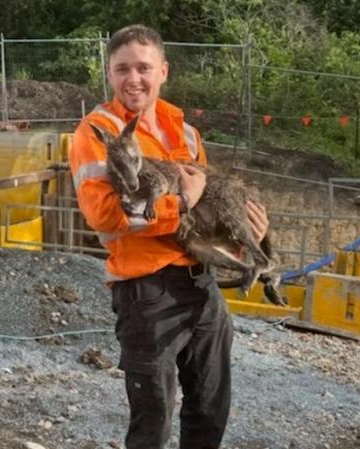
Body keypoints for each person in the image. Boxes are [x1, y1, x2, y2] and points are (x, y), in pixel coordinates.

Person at [70, 25, 269, 449]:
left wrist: (247, 234)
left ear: (163, 70)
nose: (133, 78)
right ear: (110, 73)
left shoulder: (186, 132)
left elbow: (206, 212)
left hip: (201, 282)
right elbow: (104, 217)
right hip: (146, 291)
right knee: (153, 417)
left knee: (211, 407)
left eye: (143, 67)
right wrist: (179, 203)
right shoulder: (97, 131)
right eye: (122, 69)